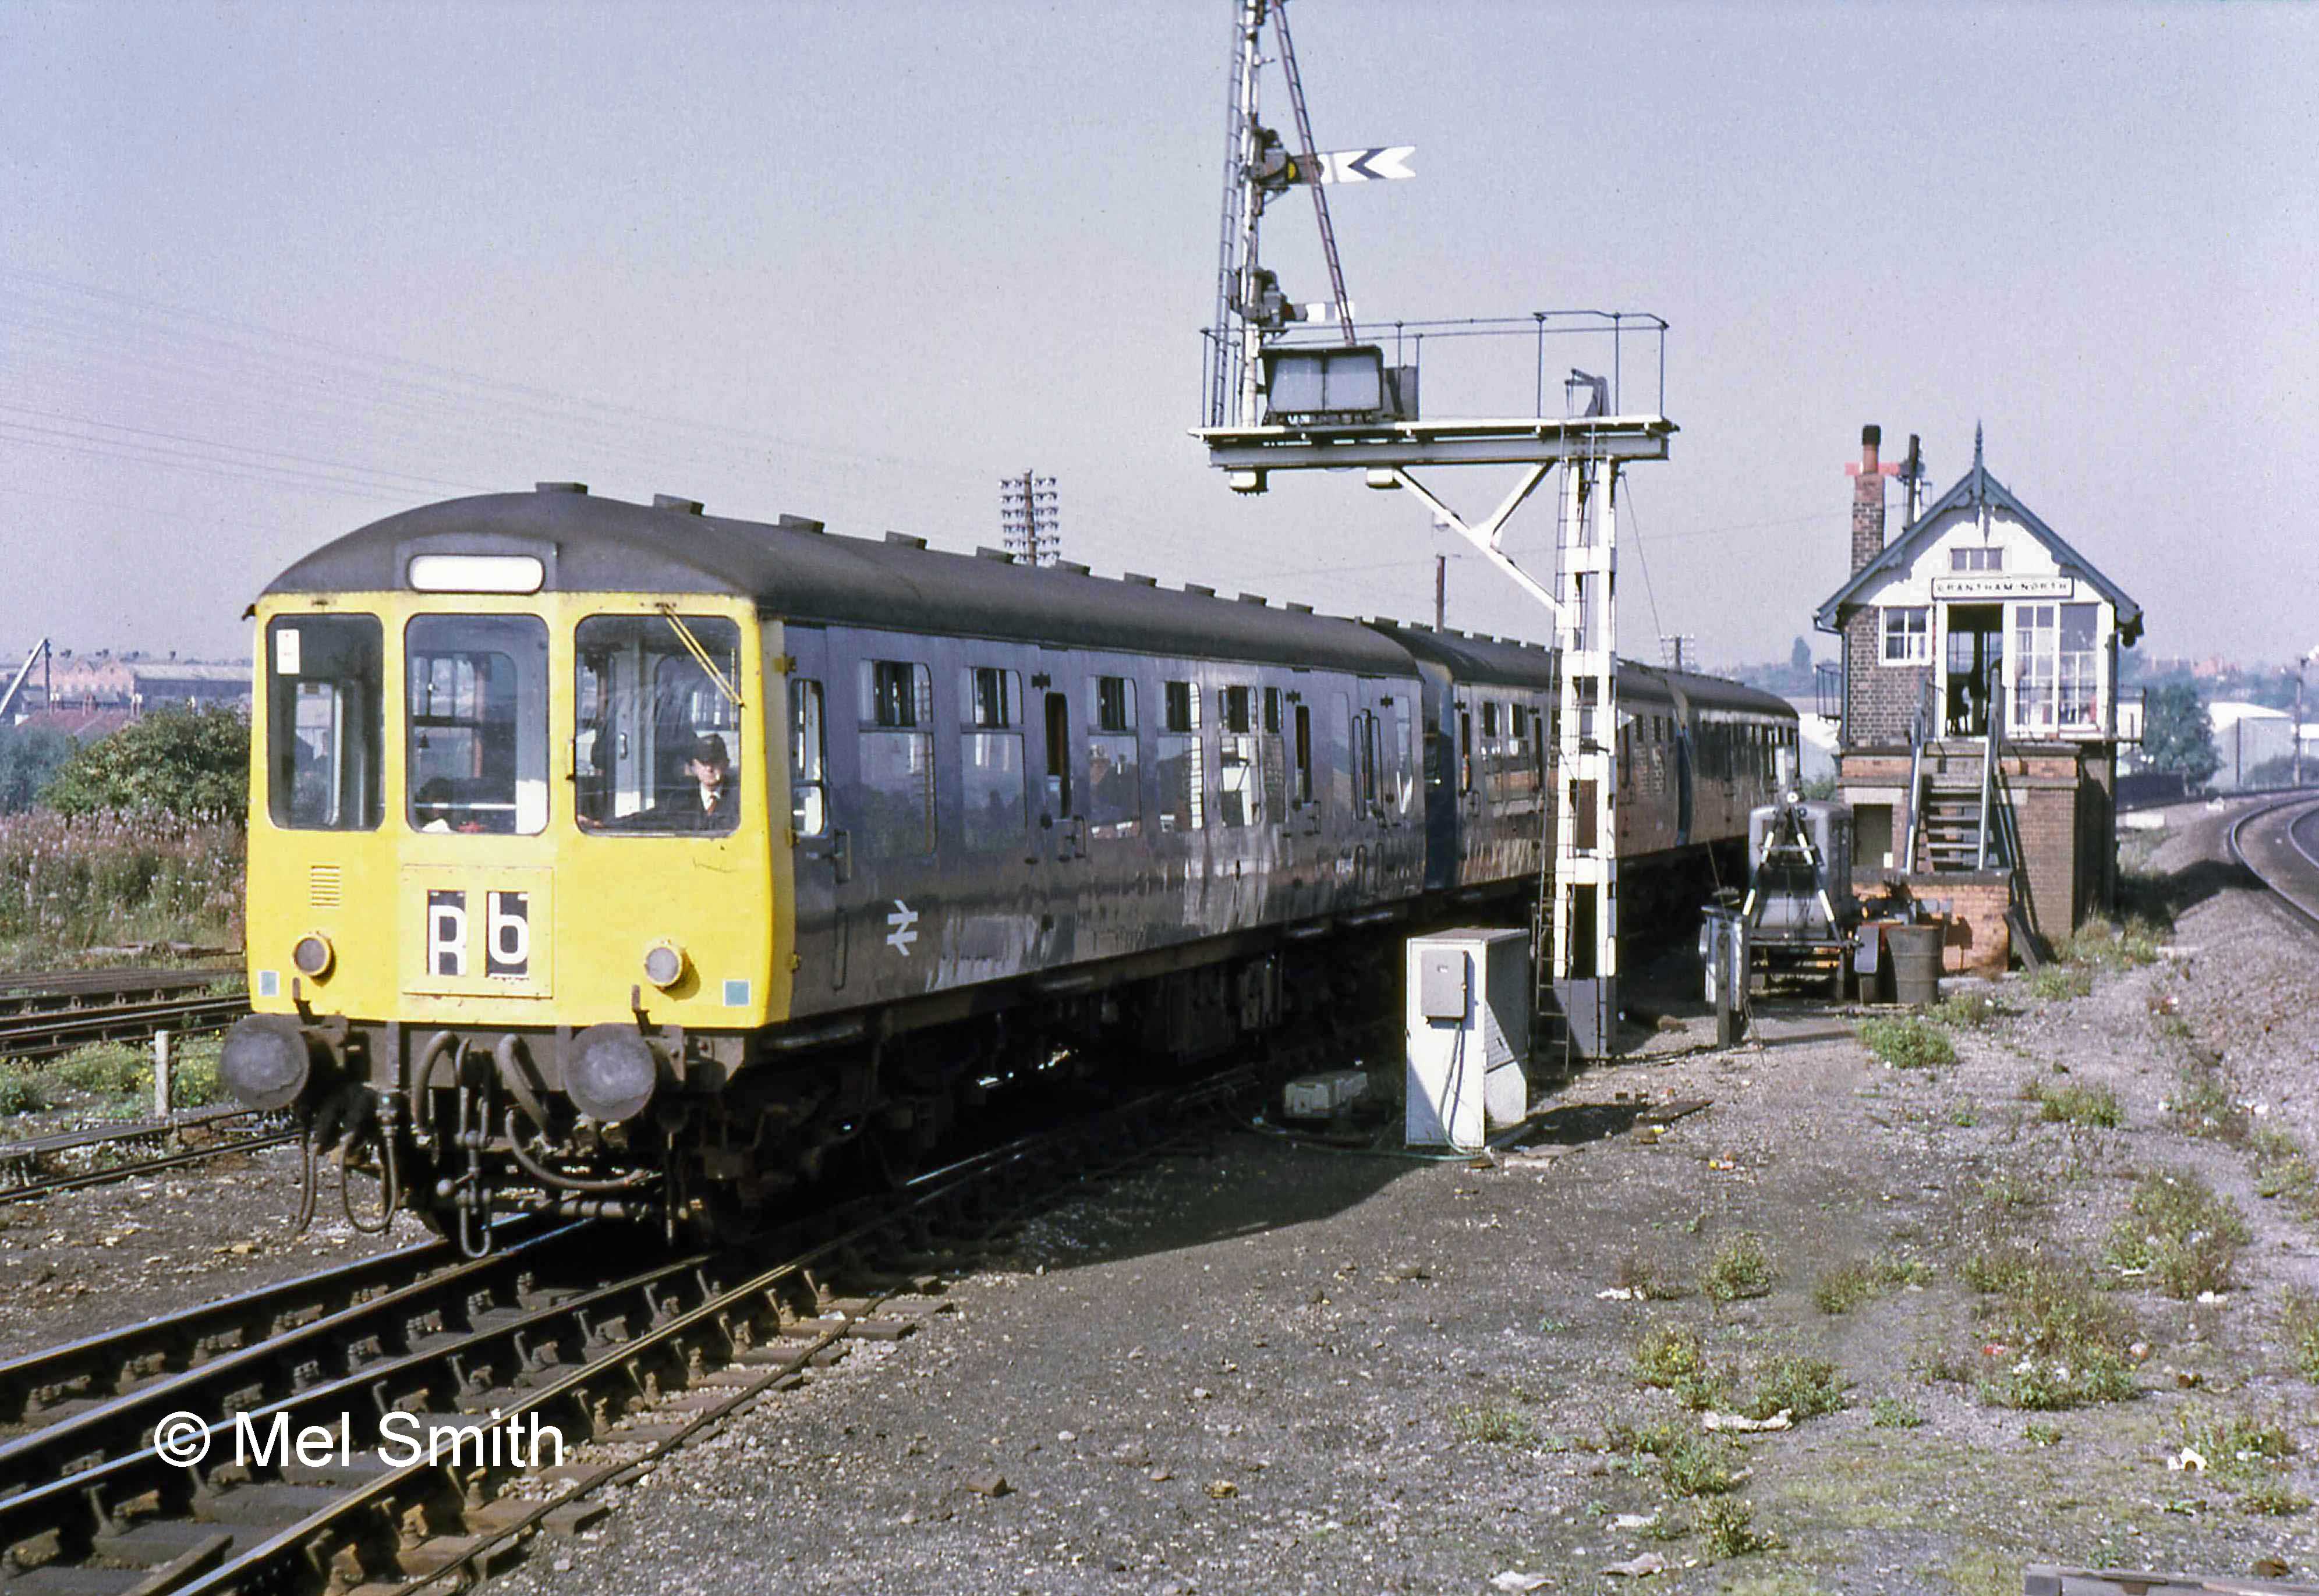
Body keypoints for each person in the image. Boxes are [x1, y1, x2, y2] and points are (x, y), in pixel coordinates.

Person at [640, 731, 739, 832]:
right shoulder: (681, 799)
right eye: (703, 763)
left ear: (727, 764)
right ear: (695, 767)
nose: (709, 769)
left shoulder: (740, 799)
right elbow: (652, 818)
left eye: (715, 762)